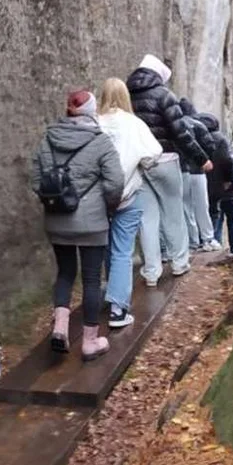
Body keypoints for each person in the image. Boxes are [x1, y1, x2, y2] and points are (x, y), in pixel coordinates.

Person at [32, 90, 124, 359]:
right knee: (92, 279)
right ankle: (90, 342)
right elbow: (115, 182)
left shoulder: (47, 140)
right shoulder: (100, 142)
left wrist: (55, 202)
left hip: (56, 221)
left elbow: (36, 181)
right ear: (91, 112)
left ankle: (60, 329)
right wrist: (107, 204)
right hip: (92, 222)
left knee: (65, 273)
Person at [126, 54, 211, 285]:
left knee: (147, 219)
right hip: (166, 159)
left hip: (139, 163)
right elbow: (180, 131)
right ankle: (179, 263)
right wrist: (201, 158)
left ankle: (151, 271)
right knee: (173, 213)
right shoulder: (164, 95)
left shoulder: (126, 95)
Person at [98, 79, 162, 326]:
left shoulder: (94, 122)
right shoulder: (134, 124)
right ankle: (118, 309)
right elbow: (152, 153)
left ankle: (105, 291)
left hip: (98, 198)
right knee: (122, 250)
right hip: (127, 195)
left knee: (104, 246)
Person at [196, 114, 233, 256]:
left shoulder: (199, 139)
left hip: (206, 184)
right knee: (231, 221)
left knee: (211, 214)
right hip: (227, 190)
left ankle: (209, 242)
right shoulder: (223, 142)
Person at [178, 99, 220, 252]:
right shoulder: (199, 125)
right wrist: (204, 159)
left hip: (181, 171)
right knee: (202, 206)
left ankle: (192, 241)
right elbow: (211, 146)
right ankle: (208, 238)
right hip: (198, 171)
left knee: (186, 207)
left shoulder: (176, 125)